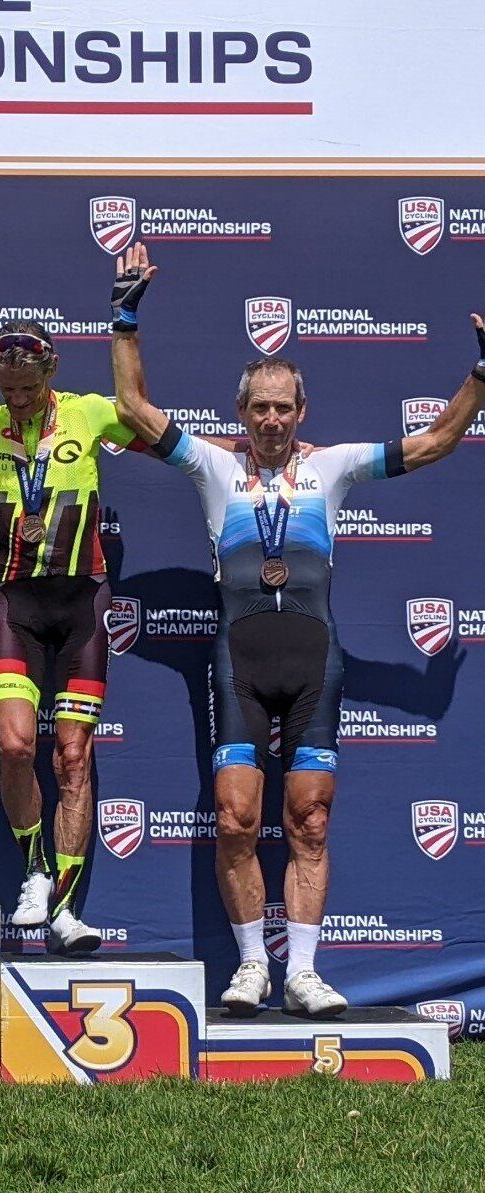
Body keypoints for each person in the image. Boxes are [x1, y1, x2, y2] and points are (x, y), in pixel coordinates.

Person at [111, 240, 485, 1015]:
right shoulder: (214, 466)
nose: (272, 419)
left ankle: (303, 972)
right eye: (259, 407)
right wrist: (124, 316)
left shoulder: (336, 466)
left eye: (283, 406)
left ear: (300, 411)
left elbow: (436, 441)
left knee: (308, 820)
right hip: (238, 660)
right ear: (240, 413)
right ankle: (251, 965)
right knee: (235, 817)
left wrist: (479, 378)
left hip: (315, 660)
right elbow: (132, 411)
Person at [0, 321, 140, 954]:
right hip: (15, 601)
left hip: (82, 601)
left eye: (27, 388)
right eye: (8, 389)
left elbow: (140, 414)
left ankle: (64, 906)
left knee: (73, 757)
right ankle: (35, 870)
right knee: (12, 745)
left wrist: (127, 329)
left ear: (52, 369)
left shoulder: (87, 413)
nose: (17, 399)